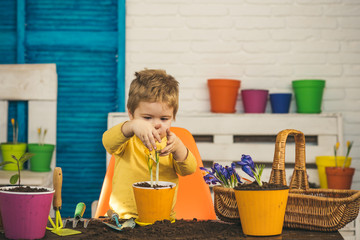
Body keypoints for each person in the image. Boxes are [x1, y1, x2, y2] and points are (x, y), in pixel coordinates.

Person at [102, 69, 197, 219]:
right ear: (131, 114)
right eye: (147, 118)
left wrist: (178, 148)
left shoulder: (171, 144)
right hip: (124, 218)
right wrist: (131, 126)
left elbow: (189, 169)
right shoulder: (127, 140)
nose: (156, 124)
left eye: (164, 119)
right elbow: (108, 142)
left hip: (163, 218)